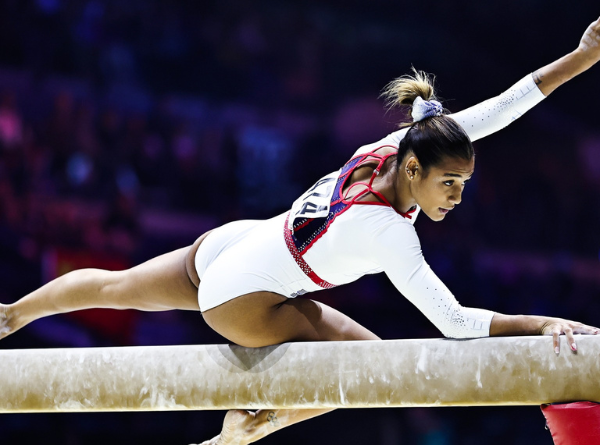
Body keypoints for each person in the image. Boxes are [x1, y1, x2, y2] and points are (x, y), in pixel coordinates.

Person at [2, 16, 600, 445]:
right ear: (415, 171)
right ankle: (249, 425)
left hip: (238, 245)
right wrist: (540, 323)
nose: (456, 196)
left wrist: (581, 58)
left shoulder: (400, 145)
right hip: (248, 297)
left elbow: (502, 107)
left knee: (116, 285)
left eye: (464, 184)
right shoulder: (386, 232)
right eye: (449, 184)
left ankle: (10, 315)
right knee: (374, 371)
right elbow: (454, 325)